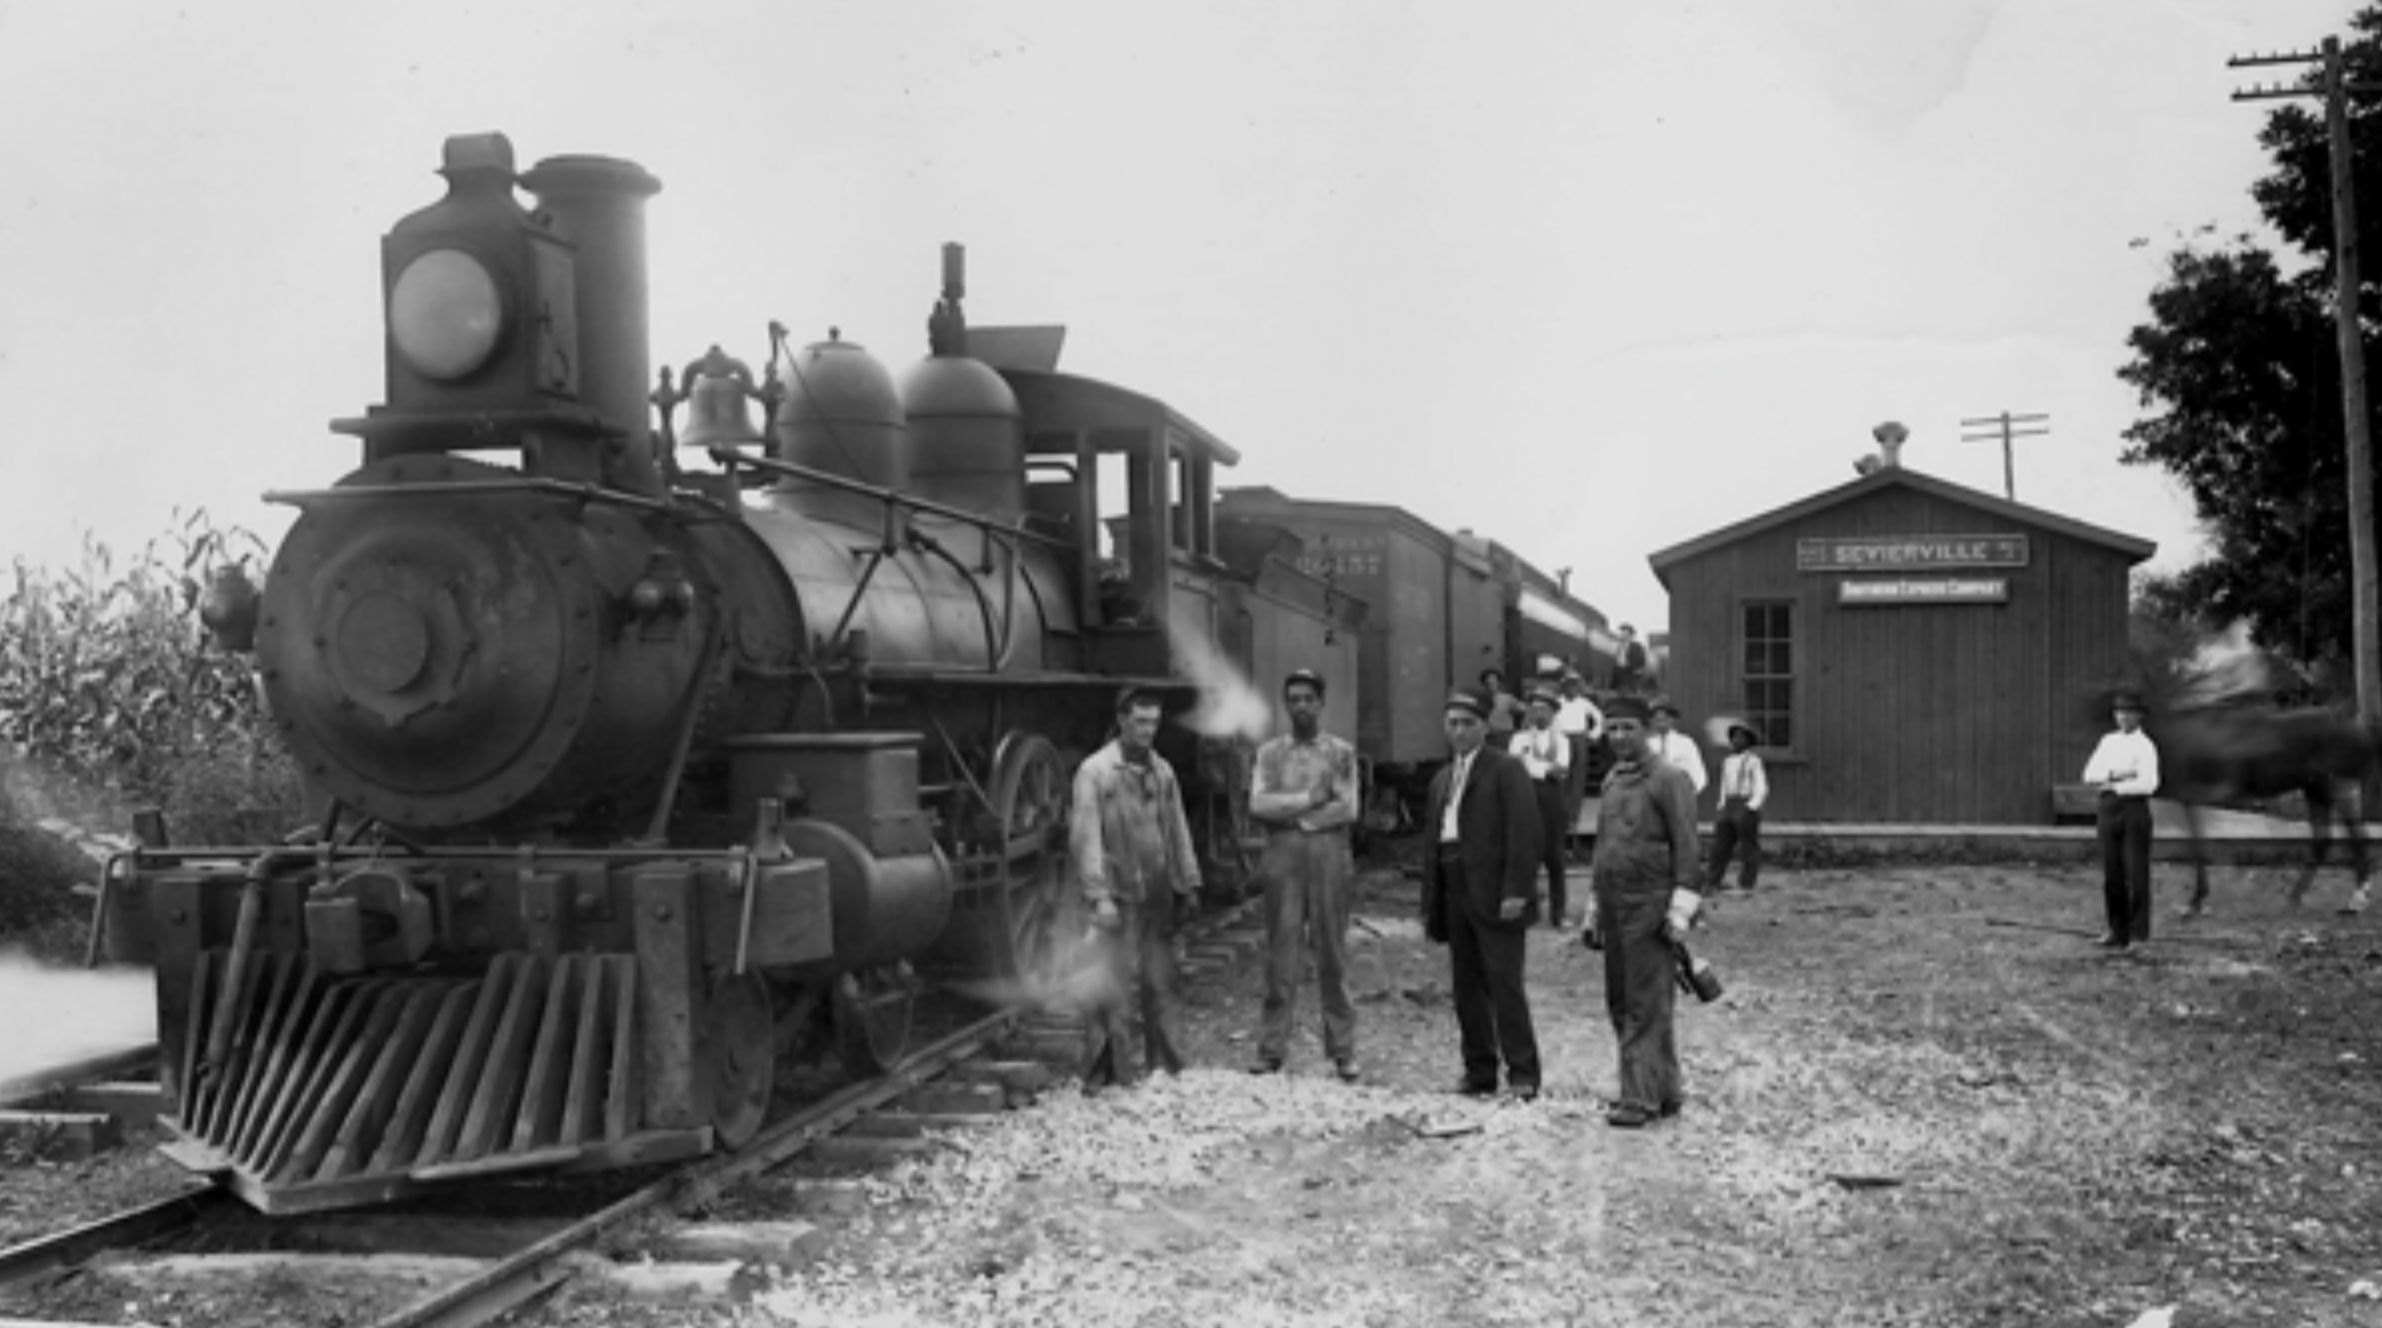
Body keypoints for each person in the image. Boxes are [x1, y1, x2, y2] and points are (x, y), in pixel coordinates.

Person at [1071, 687, 1203, 1091]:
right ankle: (1108, 1074)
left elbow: (1177, 829)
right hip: (1118, 893)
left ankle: (1165, 1066)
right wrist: (1099, 896)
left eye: (1154, 723)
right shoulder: (1095, 772)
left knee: (1162, 981)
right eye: (1141, 722)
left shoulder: (1162, 772)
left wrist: (1189, 880)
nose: (1148, 731)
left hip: (1158, 893)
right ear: (1122, 720)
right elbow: (1085, 836)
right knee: (1111, 984)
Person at [1420, 687, 1544, 1100]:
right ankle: (1479, 1070)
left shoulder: (1505, 769)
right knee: (1465, 985)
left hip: (1494, 890)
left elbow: (1524, 834)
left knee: (1504, 982)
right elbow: (1433, 845)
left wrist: (1516, 891)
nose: (1458, 731)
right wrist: (1432, 903)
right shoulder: (1441, 778)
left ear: (1485, 726)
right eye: (1452, 723)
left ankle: (1523, 1073)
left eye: (1467, 723)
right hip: (1454, 886)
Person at [1587, 694, 1703, 1128]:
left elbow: (1688, 848)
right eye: (1612, 729)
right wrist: (1595, 908)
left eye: (1627, 728)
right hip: (1616, 905)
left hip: (1651, 906)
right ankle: (1664, 1089)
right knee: (1622, 1000)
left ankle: (1639, 1099)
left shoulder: (1669, 779)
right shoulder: (1613, 782)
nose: (1618, 737)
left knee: (1645, 1003)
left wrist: (1680, 911)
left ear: (1647, 731)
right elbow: (1603, 849)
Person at [1247, 668, 1362, 1081]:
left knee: (1332, 953)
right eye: (1293, 698)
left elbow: (1347, 809)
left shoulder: (1341, 753)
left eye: (1307, 699)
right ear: (1285, 703)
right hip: (1282, 863)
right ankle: (1271, 1049)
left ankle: (1343, 1051)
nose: (1300, 706)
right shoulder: (1269, 754)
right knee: (1281, 955)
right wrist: (1309, 800)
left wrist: (1295, 818)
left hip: (1329, 858)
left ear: (1320, 703)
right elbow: (1258, 805)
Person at [2082, 691, 2159, 950]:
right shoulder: (2108, 742)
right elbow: (2090, 774)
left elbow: (2147, 784)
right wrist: (2120, 774)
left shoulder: (2145, 746)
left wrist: (2115, 786)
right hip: (2108, 810)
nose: (2123, 717)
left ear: (2139, 716)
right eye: (2119, 712)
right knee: (2112, 873)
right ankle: (2117, 930)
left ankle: (2137, 935)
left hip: (2133, 810)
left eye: (2129, 712)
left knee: (2136, 873)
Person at [1508, 686, 1573, 928]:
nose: (1539, 714)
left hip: (1553, 802)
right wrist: (1544, 768)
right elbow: (1514, 769)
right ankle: (1529, 911)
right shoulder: (1519, 739)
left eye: (1544, 709)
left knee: (1555, 859)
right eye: (1534, 709)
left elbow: (1561, 771)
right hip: (1526, 799)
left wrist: (1531, 765)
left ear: (1553, 713)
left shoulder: (1563, 741)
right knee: (1527, 856)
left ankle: (1559, 914)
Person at [1706, 720, 1768, 893]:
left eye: (1741, 738)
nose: (1737, 741)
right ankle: (1713, 880)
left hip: (1745, 803)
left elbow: (1761, 786)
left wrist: (1752, 805)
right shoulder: (1728, 761)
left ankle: (1746, 883)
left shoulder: (1753, 761)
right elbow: (1724, 785)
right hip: (1729, 805)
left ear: (1748, 742)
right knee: (1721, 845)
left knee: (1748, 846)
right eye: (1734, 737)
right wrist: (1721, 803)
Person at [1554, 670, 1605, 860]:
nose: (1572, 689)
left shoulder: (1584, 703)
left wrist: (1593, 735)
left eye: (1575, 685)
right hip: (1562, 738)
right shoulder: (1557, 702)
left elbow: (1599, 719)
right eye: (1568, 685)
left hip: (1579, 738)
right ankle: (1562, 813)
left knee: (1578, 776)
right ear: (1563, 686)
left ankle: (1574, 814)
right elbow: (1551, 720)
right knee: (1562, 774)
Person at [1646, 701, 1708, 797]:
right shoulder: (1647, 744)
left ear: (1671, 720)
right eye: (1657, 720)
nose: (1660, 723)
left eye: (1664, 719)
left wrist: (1688, 795)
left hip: (1679, 794)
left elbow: (1699, 774)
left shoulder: (1685, 743)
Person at [1479, 668, 1524, 740]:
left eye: (1494, 682)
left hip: (1505, 733)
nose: (1491, 685)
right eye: (1488, 683)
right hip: (1488, 735)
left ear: (1499, 683)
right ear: (1484, 684)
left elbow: (1523, 710)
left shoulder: (1507, 698)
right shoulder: (1479, 700)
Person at [1612, 625, 1650, 694]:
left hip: (1630, 675)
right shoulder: (1617, 646)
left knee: (1629, 694)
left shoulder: (1637, 647)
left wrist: (1635, 671)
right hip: (1618, 674)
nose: (1622, 635)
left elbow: (1640, 661)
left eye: (1624, 633)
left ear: (1630, 635)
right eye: (1621, 633)